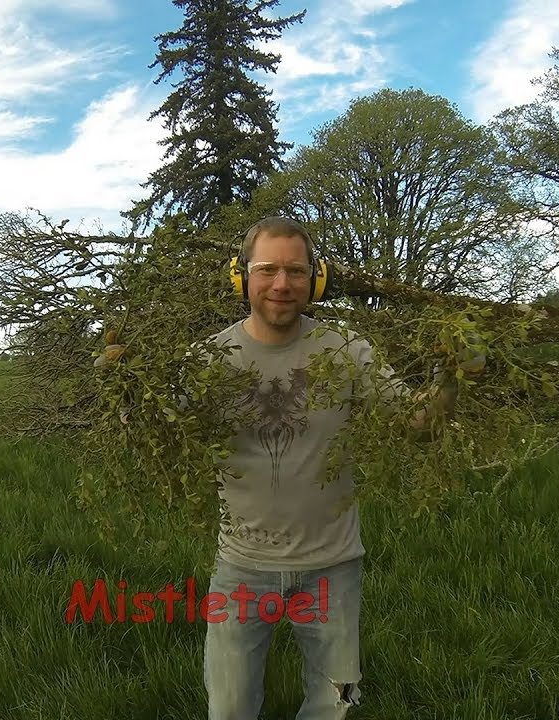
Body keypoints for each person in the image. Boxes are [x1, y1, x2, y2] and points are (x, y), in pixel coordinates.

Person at [97, 216, 482, 719]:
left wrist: (450, 379)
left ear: (314, 279)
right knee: (229, 708)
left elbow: (418, 424)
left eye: (296, 271)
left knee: (334, 703)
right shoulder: (210, 359)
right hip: (242, 567)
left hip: (333, 566)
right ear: (241, 277)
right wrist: (124, 387)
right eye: (267, 269)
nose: (282, 283)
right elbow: (158, 429)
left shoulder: (347, 352)